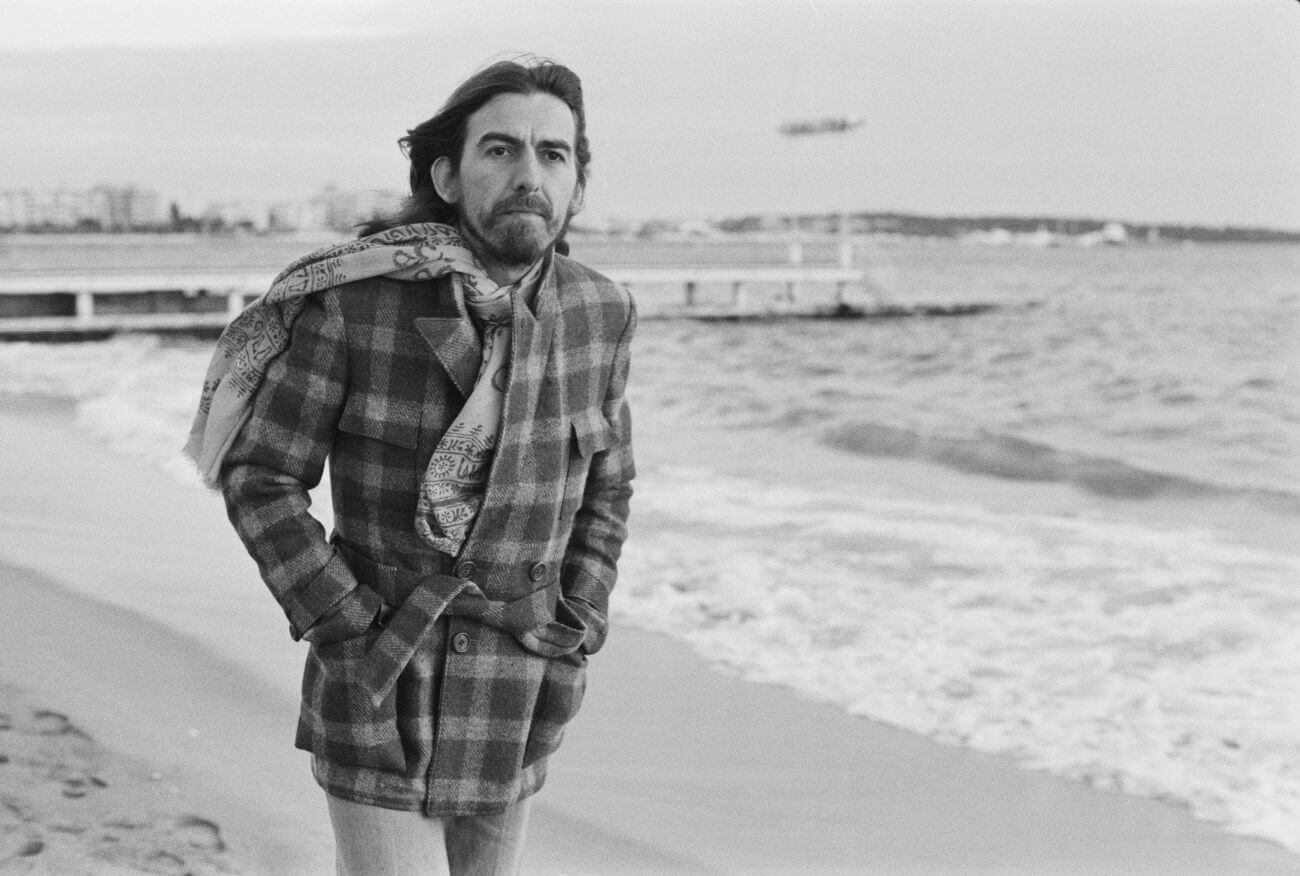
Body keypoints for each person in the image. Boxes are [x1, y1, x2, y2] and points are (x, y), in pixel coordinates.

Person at [184, 56, 635, 875]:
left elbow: (608, 483)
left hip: (521, 684)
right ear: (448, 176)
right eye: (499, 150)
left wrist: (581, 621)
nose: (528, 174)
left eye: (553, 154)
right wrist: (346, 626)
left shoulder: (599, 312)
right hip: (383, 682)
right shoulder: (358, 302)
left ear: (577, 185)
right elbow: (262, 476)